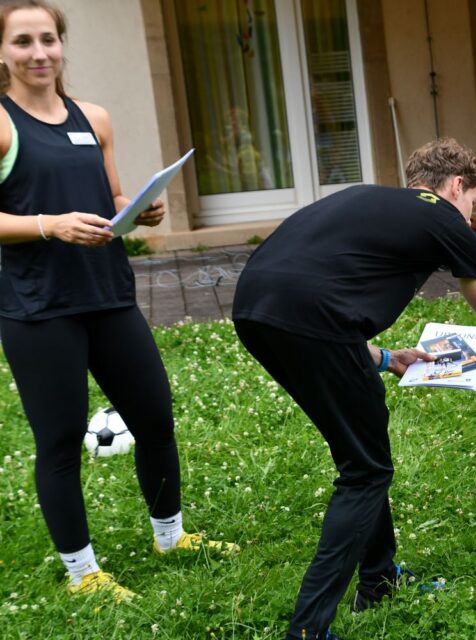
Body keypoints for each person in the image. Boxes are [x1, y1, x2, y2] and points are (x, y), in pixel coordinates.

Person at [231, 138, 476, 640]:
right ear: (456, 186)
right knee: (365, 471)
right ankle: (308, 629)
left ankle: (379, 580)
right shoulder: (444, 217)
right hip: (309, 320)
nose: (470, 213)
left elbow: (318, 297)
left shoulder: (372, 203)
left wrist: (386, 359)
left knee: (362, 447)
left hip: (254, 309)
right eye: (472, 200)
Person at [0, 0, 237, 603]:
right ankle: (84, 575)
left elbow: (110, 197)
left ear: (61, 44)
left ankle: (170, 536)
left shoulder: (93, 116)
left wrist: (141, 209)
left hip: (108, 294)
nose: (39, 53)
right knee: (59, 442)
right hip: (38, 307)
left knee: (155, 419)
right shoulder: (1, 123)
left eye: (48, 39)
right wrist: (48, 225)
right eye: (22, 41)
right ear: (2, 52)